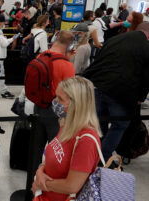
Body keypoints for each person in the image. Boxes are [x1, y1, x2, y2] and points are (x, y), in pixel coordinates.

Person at [83, 22, 149, 161]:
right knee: (120, 125)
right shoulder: (146, 46)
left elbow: (99, 60)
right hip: (123, 94)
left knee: (100, 123)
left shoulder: (114, 39)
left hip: (99, 87)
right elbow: (146, 75)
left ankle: (94, 154)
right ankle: (102, 158)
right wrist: (141, 97)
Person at [32, 77, 102, 201]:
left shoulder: (86, 141)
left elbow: (72, 186)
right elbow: (52, 156)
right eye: (56, 97)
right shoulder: (65, 124)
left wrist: (41, 184)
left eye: (60, 99)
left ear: (77, 104)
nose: (55, 102)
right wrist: (40, 171)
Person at [28, 31, 76, 190]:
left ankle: (32, 180)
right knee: (55, 148)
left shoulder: (41, 57)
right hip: (56, 112)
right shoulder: (67, 65)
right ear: (70, 46)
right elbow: (70, 92)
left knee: (36, 145)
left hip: (38, 106)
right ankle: (46, 181)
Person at [0, 14, 17, 99]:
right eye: (3, 22)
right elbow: (4, 43)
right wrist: (13, 38)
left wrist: (5, 39)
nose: (4, 24)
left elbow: (2, 41)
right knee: (0, 74)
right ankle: (3, 91)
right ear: (0, 22)